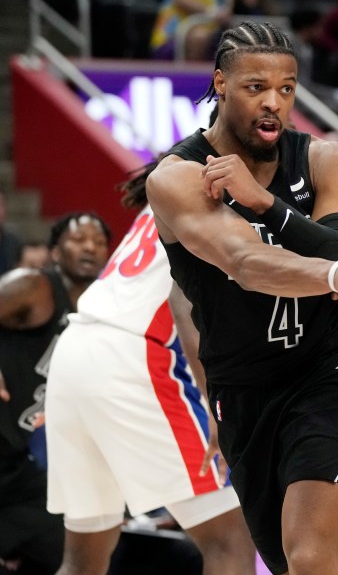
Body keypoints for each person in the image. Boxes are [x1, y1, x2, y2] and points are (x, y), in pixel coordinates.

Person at [146, 20, 338, 575]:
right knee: (288, 566)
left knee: (311, 556)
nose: (273, 103)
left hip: (327, 369)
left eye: (286, 89)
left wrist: (266, 205)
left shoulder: (324, 159)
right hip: (244, 391)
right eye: (254, 87)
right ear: (219, 84)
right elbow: (243, 263)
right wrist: (336, 273)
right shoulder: (177, 177)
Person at [44, 160, 255, 575]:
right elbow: (184, 302)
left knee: (84, 557)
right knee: (230, 540)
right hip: (133, 355)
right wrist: (216, 406)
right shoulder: (215, 195)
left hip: (75, 350)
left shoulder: (163, 194)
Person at [0, 213, 111, 575]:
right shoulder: (34, 286)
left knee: (71, 547)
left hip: (16, 463)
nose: (90, 247)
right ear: (55, 251)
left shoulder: (102, 312)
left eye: (98, 241)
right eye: (79, 239)